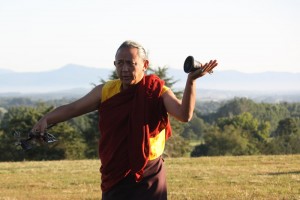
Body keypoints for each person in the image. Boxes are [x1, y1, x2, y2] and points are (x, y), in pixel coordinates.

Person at [32, 40, 218, 200]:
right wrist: (46, 119)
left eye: (131, 63)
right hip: (115, 174)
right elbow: (73, 108)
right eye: (120, 63)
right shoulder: (106, 91)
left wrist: (191, 82)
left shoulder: (157, 91)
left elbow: (184, 115)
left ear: (145, 64)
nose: (125, 69)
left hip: (148, 176)